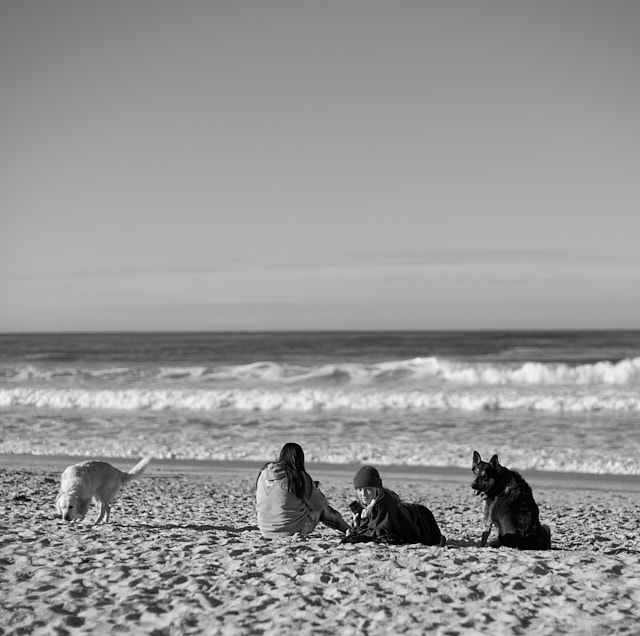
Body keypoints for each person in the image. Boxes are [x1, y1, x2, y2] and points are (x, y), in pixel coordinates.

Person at [256, 442, 350, 538]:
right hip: (290, 531)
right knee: (322, 509)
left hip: (265, 530)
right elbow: (319, 505)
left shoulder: (263, 474)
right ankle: (348, 529)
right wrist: (314, 489)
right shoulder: (297, 476)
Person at [347, 465, 445, 546]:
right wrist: (356, 523)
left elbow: (379, 532)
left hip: (422, 518)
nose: (363, 494)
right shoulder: (367, 502)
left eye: (368, 489)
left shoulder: (385, 503)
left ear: (376, 488)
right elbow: (370, 528)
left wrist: (356, 529)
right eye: (359, 489)